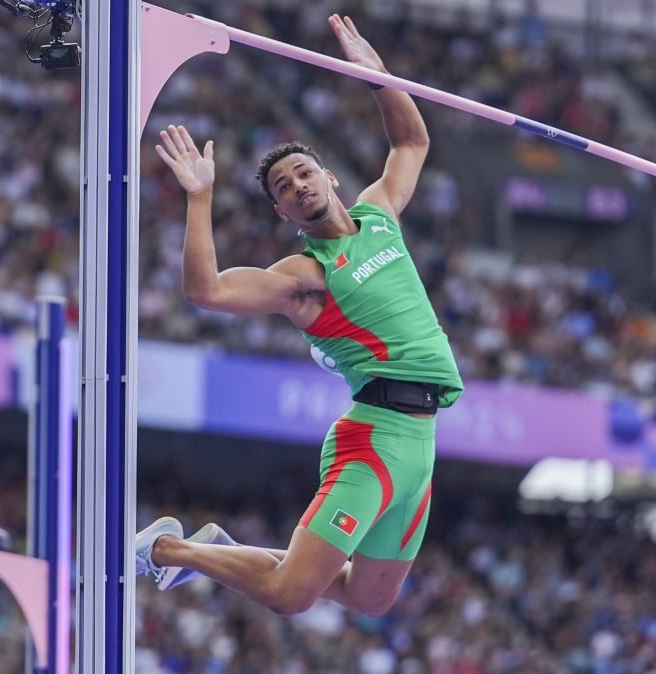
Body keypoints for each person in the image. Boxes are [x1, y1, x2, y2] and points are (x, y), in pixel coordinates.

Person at [135, 14, 463, 617]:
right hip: (374, 438)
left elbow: (411, 143)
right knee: (292, 595)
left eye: (304, 173)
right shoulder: (305, 278)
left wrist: (378, 78)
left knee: (369, 599)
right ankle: (168, 548)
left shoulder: (378, 214)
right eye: (284, 188)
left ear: (329, 177)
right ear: (284, 214)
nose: (298, 186)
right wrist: (200, 197)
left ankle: (224, 551)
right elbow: (204, 289)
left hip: (421, 443)